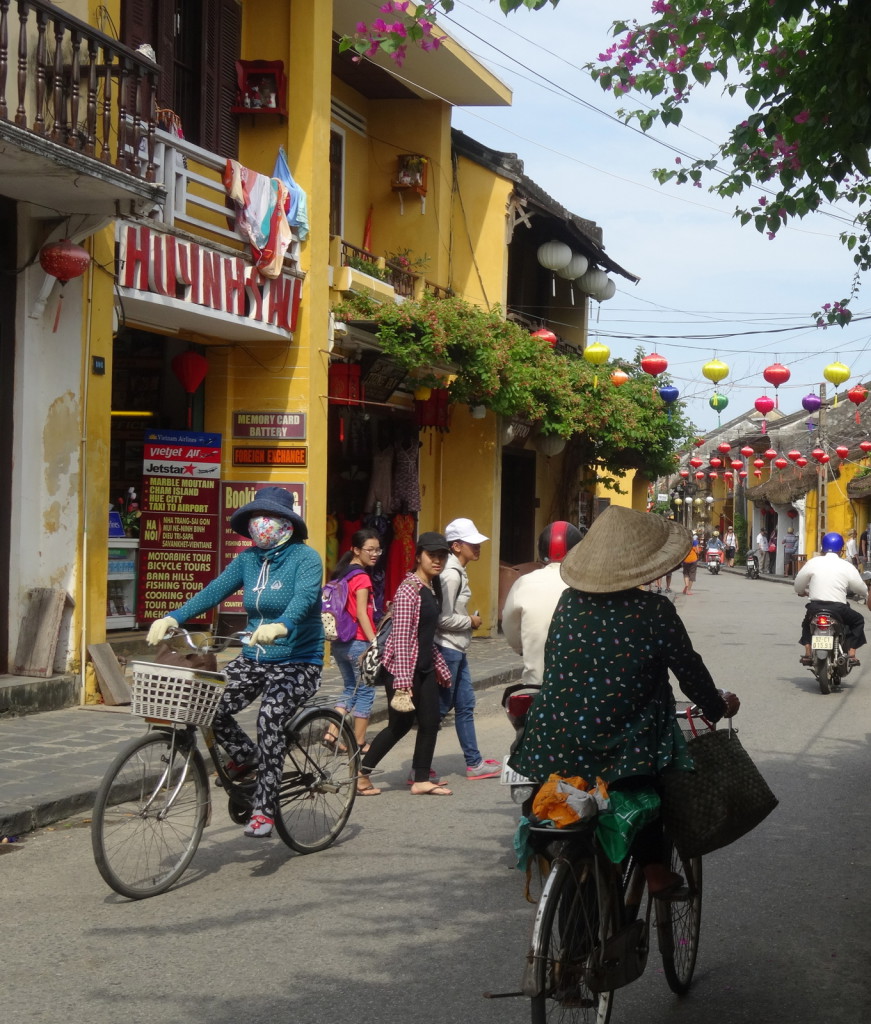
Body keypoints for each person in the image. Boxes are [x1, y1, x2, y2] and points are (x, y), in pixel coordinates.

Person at [509, 506, 740, 895]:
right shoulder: (654, 610)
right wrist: (718, 705)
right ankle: (654, 871)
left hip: (554, 739)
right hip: (623, 747)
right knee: (655, 784)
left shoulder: (569, 603)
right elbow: (689, 670)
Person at [146, 486, 323, 838]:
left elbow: (304, 599)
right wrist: (173, 618)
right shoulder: (247, 559)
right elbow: (213, 591)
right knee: (206, 704)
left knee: (270, 717)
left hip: (298, 660)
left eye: (270, 517)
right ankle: (249, 756)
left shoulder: (307, 559)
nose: (262, 524)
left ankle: (265, 806)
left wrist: (282, 625)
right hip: (253, 655)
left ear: (287, 523)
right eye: (257, 517)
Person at [358, 532, 454, 796]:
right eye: (432, 555)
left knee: (430, 721)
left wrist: (439, 666)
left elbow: (424, 636)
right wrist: (402, 682)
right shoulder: (408, 590)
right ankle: (361, 774)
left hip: (423, 668)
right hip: (402, 670)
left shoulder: (430, 588)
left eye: (442, 556)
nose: (437, 561)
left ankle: (421, 778)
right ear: (419, 556)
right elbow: (400, 639)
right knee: (399, 725)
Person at [436, 517, 502, 780]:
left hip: (457, 648)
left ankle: (474, 763)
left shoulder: (457, 570)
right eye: (471, 542)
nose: (478, 547)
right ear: (456, 546)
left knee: (465, 705)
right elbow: (443, 618)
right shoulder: (451, 574)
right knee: (439, 709)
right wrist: (470, 621)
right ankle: (419, 768)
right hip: (447, 647)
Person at [502, 520, 584, 686]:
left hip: (536, 682)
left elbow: (509, 626)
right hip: (577, 686)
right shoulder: (586, 584)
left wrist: (522, 648)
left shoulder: (524, 582)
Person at [324, 528, 380, 760]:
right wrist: (374, 642)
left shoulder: (342, 574)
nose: (375, 554)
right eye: (370, 549)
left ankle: (331, 734)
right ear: (356, 550)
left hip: (339, 642)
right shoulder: (362, 577)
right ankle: (359, 742)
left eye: (378, 549)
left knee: (350, 688)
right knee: (366, 691)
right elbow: (362, 613)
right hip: (358, 641)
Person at [794, 532, 869, 667]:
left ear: (822, 547)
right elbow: (860, 588)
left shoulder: (813, 562)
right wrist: (866, 594)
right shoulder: (846, 565)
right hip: (838, 609)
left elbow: (798, 583)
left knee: (807, 624)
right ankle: (851, 653)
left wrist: (801, 592)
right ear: (841, 549)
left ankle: (807, 652)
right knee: (858, 620)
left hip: (815, 607)